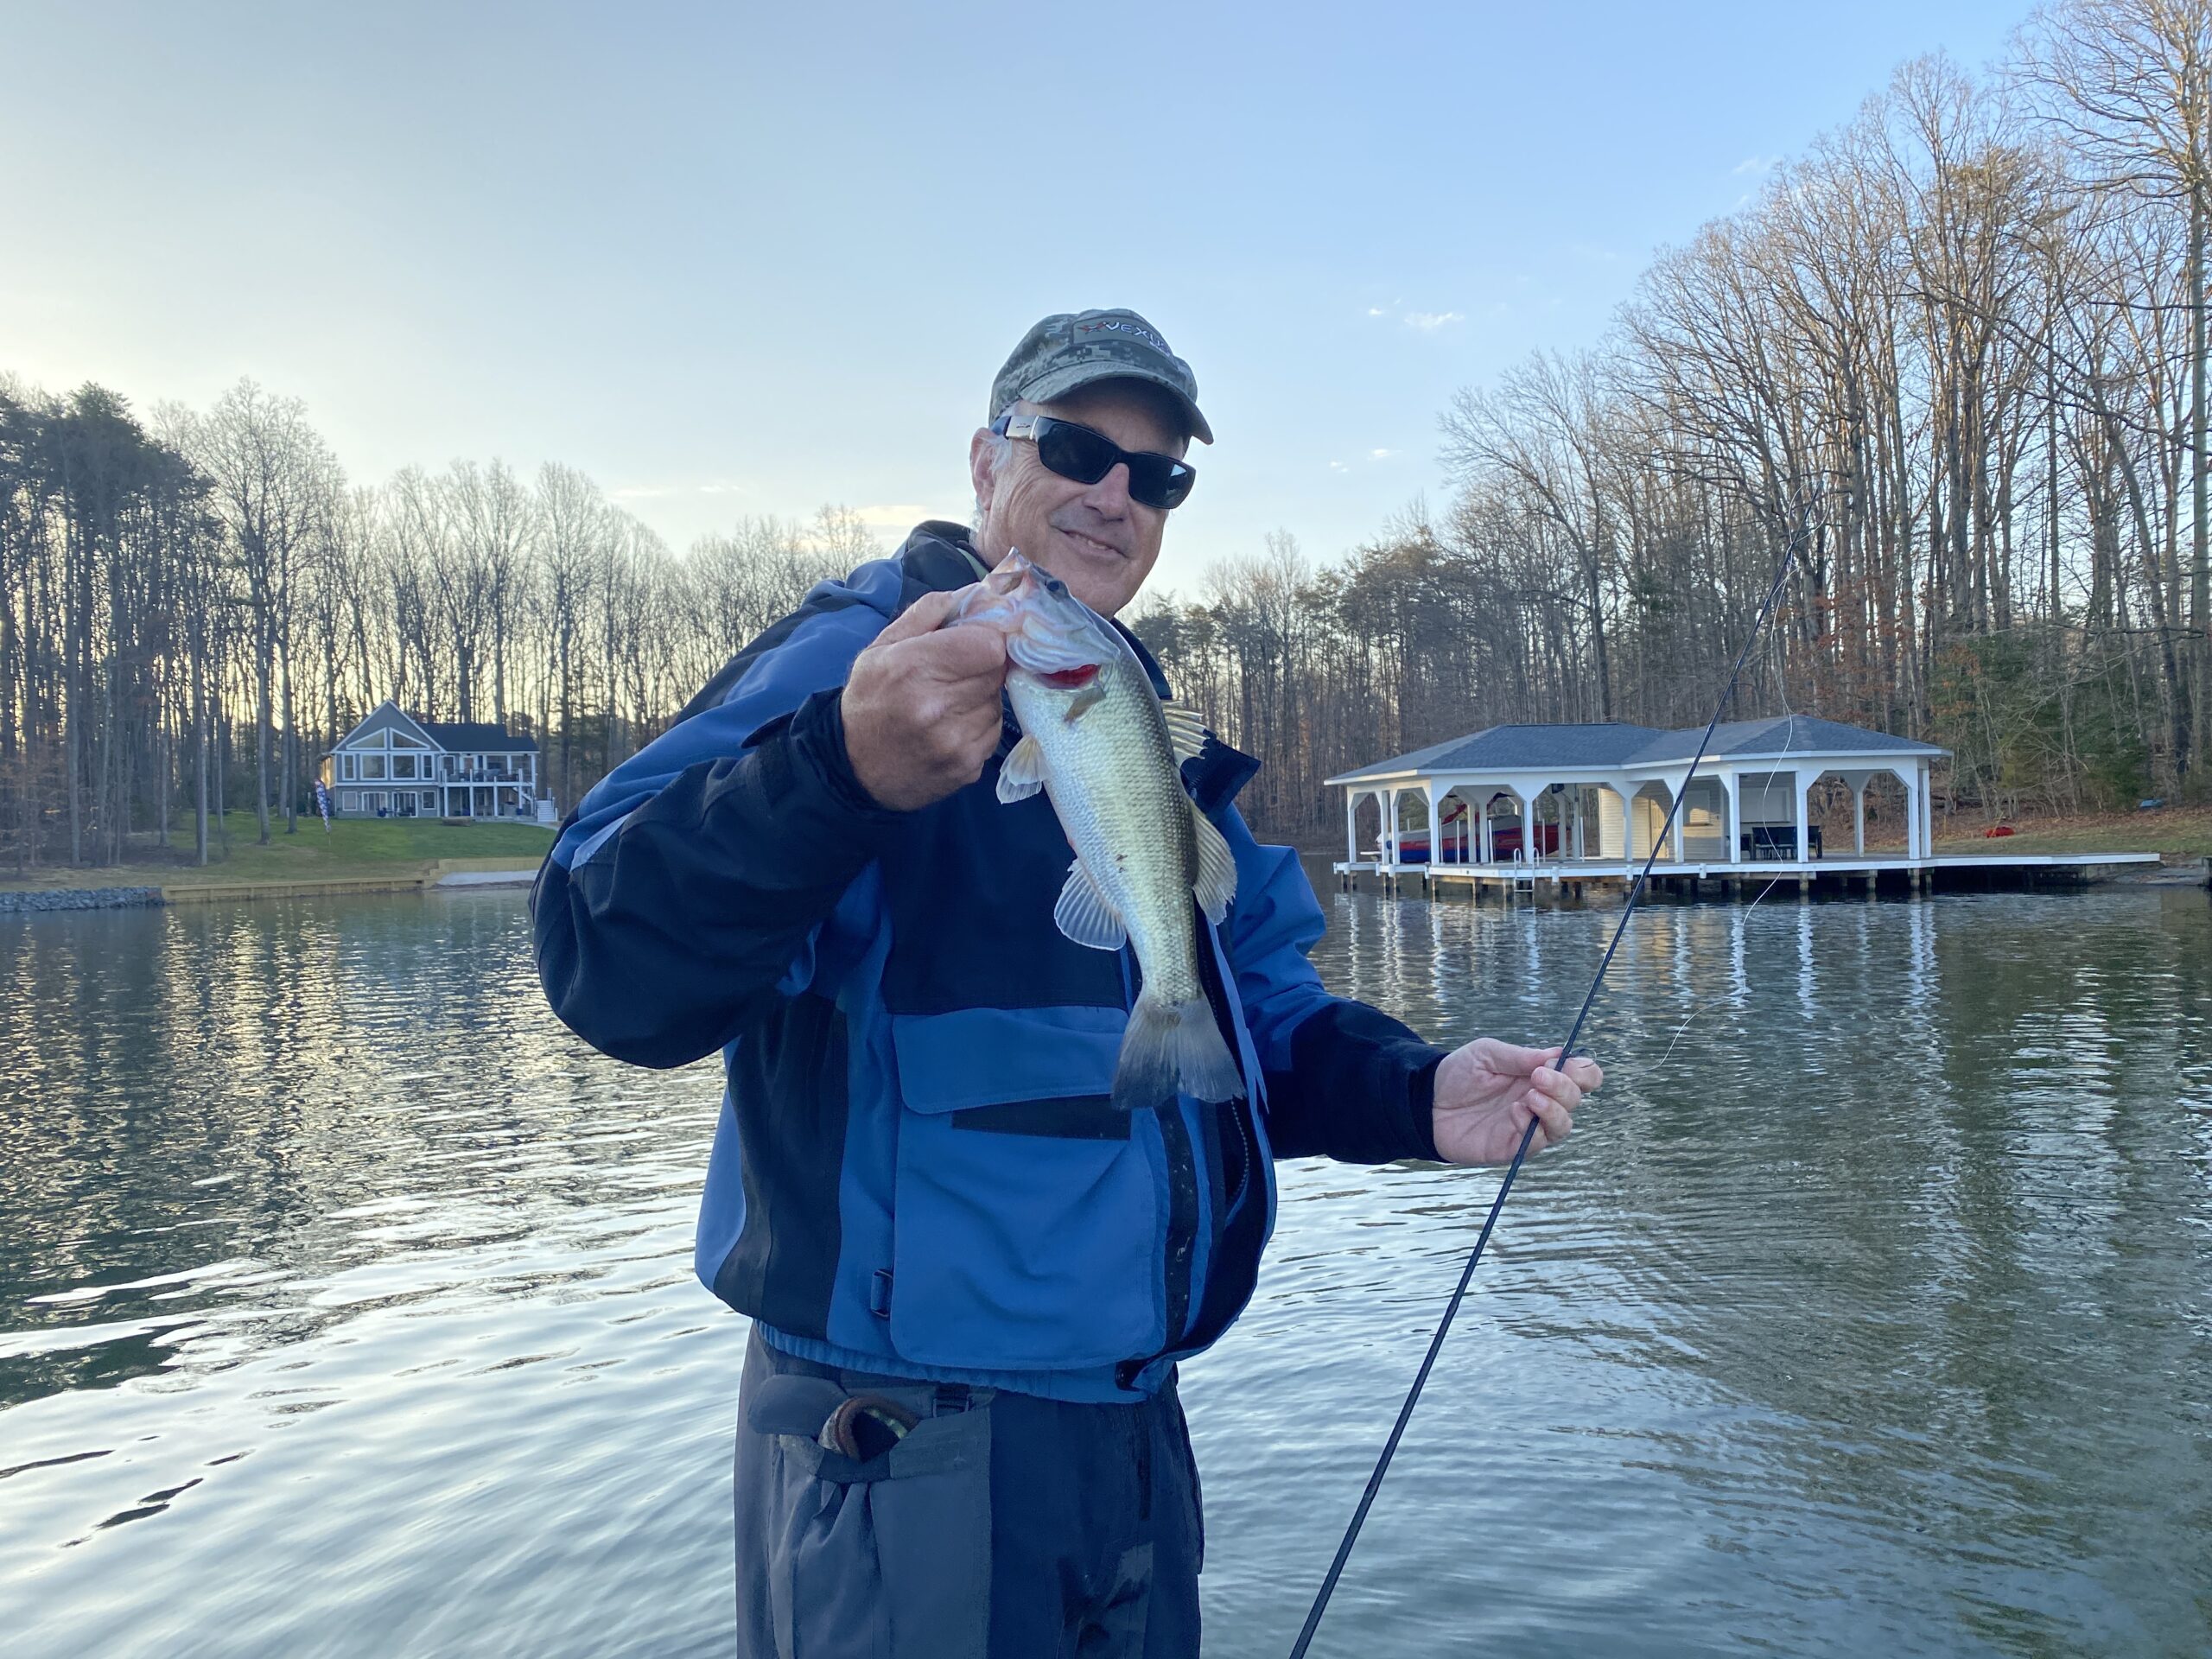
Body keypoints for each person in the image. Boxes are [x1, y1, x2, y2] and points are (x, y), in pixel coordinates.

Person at [531, 308, 1604, 1657]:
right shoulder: (856, 656)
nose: (1117, 493)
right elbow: (597, 955)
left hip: (1130, 1429)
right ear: (986, 464)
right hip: (904, 1444)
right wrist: (834, 771)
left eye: (1156, 476)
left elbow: (1243, 1003)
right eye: (1079, 448)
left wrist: (1410, 1092)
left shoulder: (1138, 711)